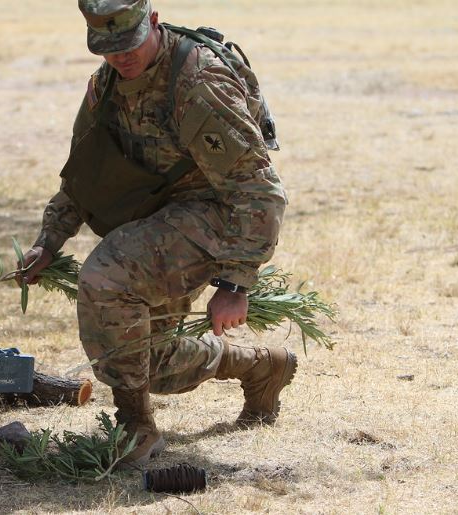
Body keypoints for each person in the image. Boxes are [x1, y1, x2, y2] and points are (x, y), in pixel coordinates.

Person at [18, 0, 296, 466]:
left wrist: (235, 282)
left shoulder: (197, 80)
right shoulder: (106, 85)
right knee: (155, 362)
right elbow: (86, 175)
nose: (120, 57)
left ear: (153, 21)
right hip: (161, 216)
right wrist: (48, 241)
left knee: (106, 276)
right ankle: (263, 365)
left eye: (128, 43)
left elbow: (259, 188)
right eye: (107, 48)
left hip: (215, 212)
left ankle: (135, 431)